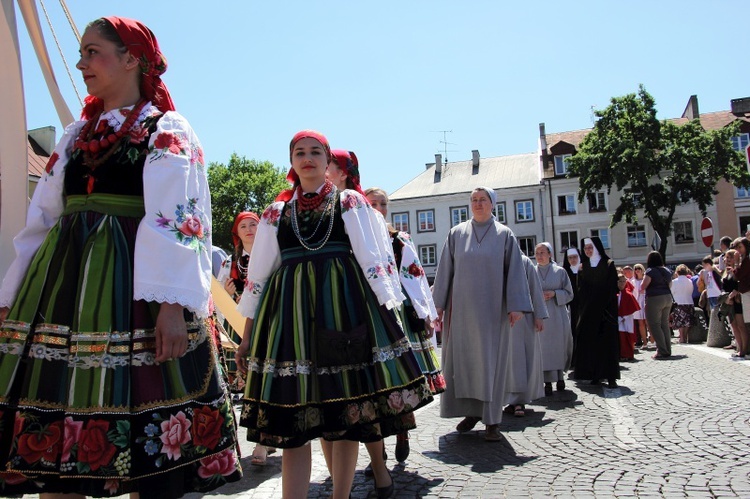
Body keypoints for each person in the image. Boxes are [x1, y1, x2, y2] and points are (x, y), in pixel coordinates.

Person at [0, 17, 241, 496]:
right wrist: (12, 295)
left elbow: (179, 219)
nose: (81, 62)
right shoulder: (73, 137)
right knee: (52, 440)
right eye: (81, 52)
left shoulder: (165, 129)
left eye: (92, 51)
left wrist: (171, 306)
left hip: (138, 289)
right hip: (62, 288)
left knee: (148, 436)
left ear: (131, 57)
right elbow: (41, 221)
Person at [235, 131, 432, 499]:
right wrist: (247, 336)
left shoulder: (350, 203)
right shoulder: (275, 213)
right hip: (289, 321)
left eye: (315, 152)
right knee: (292, 421)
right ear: (291, 162)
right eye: (299, 152)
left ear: (329, 163)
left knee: (346, 416)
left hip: (343, 312)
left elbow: (375, 263)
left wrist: (390, 322)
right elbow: (257, 279)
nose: (307, 158)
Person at [432, 186, 532, 442]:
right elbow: (445, 271)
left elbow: (515, 272)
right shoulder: (456, 234)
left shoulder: (504, 234)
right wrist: (438, 306)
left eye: (482, 200)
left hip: (492, 314)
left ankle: (492, 420)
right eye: (474, 200)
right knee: (464, 365)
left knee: (491, 366)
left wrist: (516, 305)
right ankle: (471, 412)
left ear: (492, 204)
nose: (477, 204)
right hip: (462, 314)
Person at [363, 185, 444, 470]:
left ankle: (402, 432)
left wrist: (427, 314)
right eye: (372, 203)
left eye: (383, 204)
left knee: (399, 378)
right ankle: (378, 444)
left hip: (399, 314)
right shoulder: (354, 238)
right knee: (373, 382)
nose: (379, 208)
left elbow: (416, 279)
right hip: (368, 315)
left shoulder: (399, 240)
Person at [573, 237, 620, 388]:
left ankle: (611, 376)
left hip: (605, 312)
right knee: (591, 344)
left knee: (607, 344)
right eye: (585, 248)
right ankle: (594, 375)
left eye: (590, 247)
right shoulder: (582, 267)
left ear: (597, 248)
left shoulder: (608, 264)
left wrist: (603, 305)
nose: (588, 250)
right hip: (588, 312)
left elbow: (612, 288)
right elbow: (580, 290)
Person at [504, 254, 546, 417]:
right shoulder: (494, 257)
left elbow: (535, 290)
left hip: (523, 319)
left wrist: (539, 316)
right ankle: (506, 399)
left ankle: (519, 400)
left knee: (520, 359)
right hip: (499, 319)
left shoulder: (524, 262)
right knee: (503, 362)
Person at [534, 243, 573, 396]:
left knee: (558, 347)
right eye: (537, 253)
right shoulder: (531, 271)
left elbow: (569, 293)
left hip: (557, 314)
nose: (539, 256)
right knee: (543, 349)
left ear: (549, 254)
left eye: (542, 252)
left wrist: (555, 293)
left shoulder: (560, 272)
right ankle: (547, 382)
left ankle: (560, 377)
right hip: (540, 315)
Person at [641, 251, 674, 360]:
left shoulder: (650, 271)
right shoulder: (667, 270)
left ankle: (661, 350)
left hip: (654, 298)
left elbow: (643, 285)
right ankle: (668, 349)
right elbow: (670, 284)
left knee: (654, 324)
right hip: (668, 297)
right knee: (664, 324)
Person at [722, 248, 747, 357]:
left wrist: (733, 295)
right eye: (726, 257)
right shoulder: (726, 271)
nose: (727, 259)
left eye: (730, 257)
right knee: (734, 326)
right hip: (729, 301)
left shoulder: (737, 270)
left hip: (737, 300)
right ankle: (739, 347)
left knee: (741, 326)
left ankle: (744, 349)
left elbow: (739, 284)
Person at [562, 248, 581, 362]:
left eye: (575, 257)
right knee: (572, 332)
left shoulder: (584, 270)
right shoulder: (565, 272)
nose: (573, 260)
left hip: (584, 306)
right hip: (570, 307)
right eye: (570, 257)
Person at [617, 272, 641, 361]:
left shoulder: (629, 295)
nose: (622, 283)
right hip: (617, 320)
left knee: (628, 337)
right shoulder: (613, 294)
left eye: (624, 281)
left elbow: (632, 309)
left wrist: (624, 318)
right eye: (620, 281)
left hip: (627, 320)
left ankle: (628, 354)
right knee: (620, 338)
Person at [670, 264, 696, 344]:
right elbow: (691, 290)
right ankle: (685, 336)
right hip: (689, 301)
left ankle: (681, 337)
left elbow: (672, 291)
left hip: (679, 302)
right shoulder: (689, 281)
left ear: (677, 272)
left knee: (680, 321)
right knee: (687, 321)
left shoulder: (674, 282)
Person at [632, 264, 650, 349]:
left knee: (648, 322)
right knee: (640, 323)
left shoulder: (646, 279)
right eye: (635, 269)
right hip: (638, 302)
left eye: (639, 268)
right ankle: (645, 342)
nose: (637, 270)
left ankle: (653, 341)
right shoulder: (633, 281)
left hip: (646, 301)